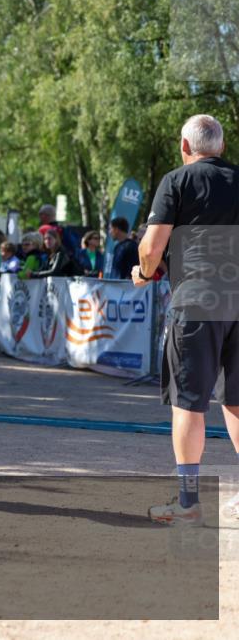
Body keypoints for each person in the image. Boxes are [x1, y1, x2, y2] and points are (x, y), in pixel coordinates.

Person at [132, 114, 239, 525]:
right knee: (235, 399)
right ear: (222, 148)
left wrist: (143, 274)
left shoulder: (176, 181)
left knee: (188, 403)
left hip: (196, 302)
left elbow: (153, 246)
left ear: (184, 146)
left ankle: (188, 502)